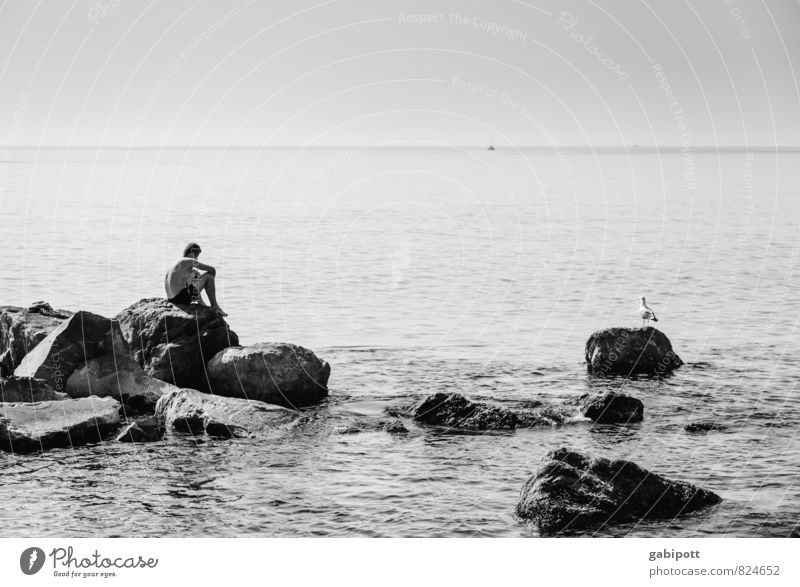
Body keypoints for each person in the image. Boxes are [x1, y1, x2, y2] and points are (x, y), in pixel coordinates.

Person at [164, 242, 227, 316]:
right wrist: (209, 284)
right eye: (197, 255)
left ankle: (200, 302)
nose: (196, 258)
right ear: (191, 253)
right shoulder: (190, 261)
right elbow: (211, 269)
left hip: (172, 299)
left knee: (195, 273)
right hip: (181, 298)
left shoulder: (176, 262)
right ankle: (215, 305)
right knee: (209, 277)